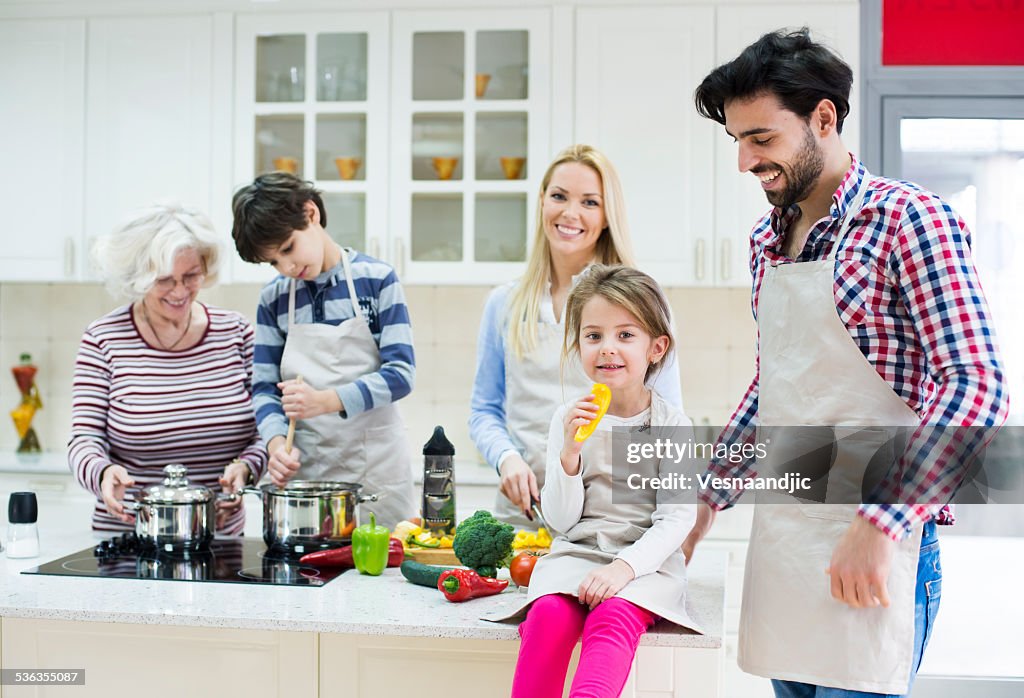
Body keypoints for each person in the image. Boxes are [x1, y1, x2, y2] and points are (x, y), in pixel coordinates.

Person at [684, 29, 1009, 697]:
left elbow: (978, 385)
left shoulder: (909, 220)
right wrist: (705, 500)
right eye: (737, 141)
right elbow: (774, 386)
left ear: (824, 118)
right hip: (784, 548)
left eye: (762, 139)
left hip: (874, 550)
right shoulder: (764, 241)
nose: (744, 160)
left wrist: (883, 519)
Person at [487, 264, 700, 698]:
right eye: (593, 335)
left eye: (625, 335)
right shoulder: (566, 420)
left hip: (644, 566)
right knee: (546, 615)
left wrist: (624, 568)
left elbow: (677, 519)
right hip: (576, 555)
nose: (607, 348)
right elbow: (563, 523)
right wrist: (568, 455)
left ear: (656, 347)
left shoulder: (673, 426)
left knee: (613, 617)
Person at [469, 144, 684, 528]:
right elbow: (485, 410)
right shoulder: (504, 303)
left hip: (611, 514)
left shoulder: (639, 301)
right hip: (525, 509)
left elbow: (665, 410)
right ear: (541, 202)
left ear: (606, 216)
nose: (570, 213)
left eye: (589, 202)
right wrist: (507, 458)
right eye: (559, 196)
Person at [231, 172, 416, 528]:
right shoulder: (274, 298)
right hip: (309, 480)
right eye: (273, 262)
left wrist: (327, 401)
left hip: (376, 476)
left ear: (311, 214)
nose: (287, 268)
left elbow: (401, 374)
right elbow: (264, 387)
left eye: (287, 249)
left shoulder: (377, 279)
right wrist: (274, 445)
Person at [69, 204, 268, 534]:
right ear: (137, 279)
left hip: (217, 540)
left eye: (191, 276)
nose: (180, 291)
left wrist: (247, 468)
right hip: (129, 536)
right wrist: (103, 473)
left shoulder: (236, 333)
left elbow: (266, 429)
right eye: (164, 280)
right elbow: (84, 438)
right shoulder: (103, 339)